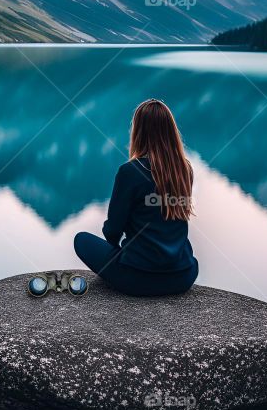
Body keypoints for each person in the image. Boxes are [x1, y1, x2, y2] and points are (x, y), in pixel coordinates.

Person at [74, 99, 198, 296]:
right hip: (183, 277)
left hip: (138, 280)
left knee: (81, 240)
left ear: (138, 132)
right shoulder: (185, 170)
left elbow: (113, 231)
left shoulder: (130, 172)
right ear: (171, 131)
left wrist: (120, 252)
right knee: (179, 240)